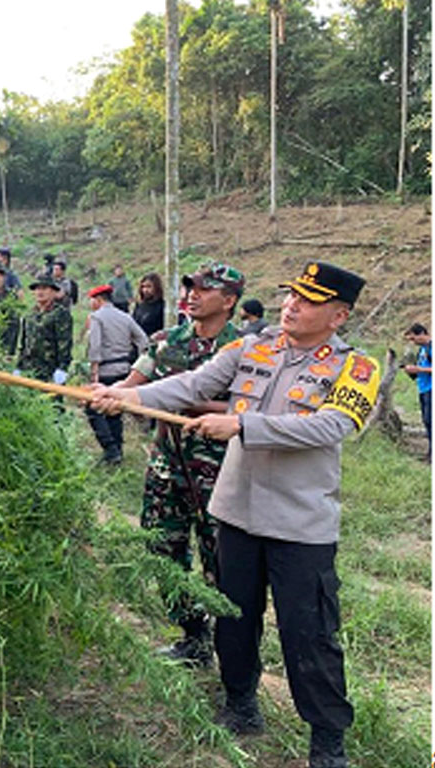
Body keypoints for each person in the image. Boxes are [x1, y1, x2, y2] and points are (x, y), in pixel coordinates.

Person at [89, 261, 377, 768]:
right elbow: (191, 387)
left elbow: (330, 428)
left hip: (299, 527)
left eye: (308, 301)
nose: (292, 305)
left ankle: (328, 741)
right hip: (236, 515)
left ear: (339, 315)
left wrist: (242, 426)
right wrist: (128, 395)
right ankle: (241, 704)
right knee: (233, 621)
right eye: (291, 296)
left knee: (308, 636)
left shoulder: (356, 369)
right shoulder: (250, 346)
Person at [110, 261, 244, 667]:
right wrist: (109, 393)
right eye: (189, 288)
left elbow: (246, 408)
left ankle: (232, 651)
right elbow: (134, 383)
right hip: (166, 470)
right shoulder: (166, 341)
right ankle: (193, 636)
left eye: (203, 289)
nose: (191, 295)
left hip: (219, 475)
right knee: (161, 549)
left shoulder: (244, 349)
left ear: (229, 300)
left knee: (221, 562)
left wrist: (177, 401)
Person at [84, 284, 148, 465]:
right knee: (115, 411)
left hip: (105, 370)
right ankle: (118, 450)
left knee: (94, 409)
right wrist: (138, 366)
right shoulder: (125, 317)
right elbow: (143, 341)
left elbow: (95, 346)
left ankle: (110, 449)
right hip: (124, 369)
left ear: (97, 300)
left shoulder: (97, 317)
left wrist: (94, 371)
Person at [16, 273, 72, 384]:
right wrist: (19, 366)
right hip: (29, 370)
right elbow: (24, 344)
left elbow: (64, 343)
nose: (40, 292)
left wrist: (62, 368)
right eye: (37, 289)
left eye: (44, 288)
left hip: (50, 371)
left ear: (53, 291)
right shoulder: (30, 315)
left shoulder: (60, 314)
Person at [403, 322, 431, 462]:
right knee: (426, 421)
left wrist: (419, 370)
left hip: (431, 389)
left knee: (430, 421)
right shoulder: (421, 350)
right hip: (423, 388)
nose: (413, 342)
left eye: (414, 338)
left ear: (422, 334)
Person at [132, 272, 166, 338]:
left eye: (149, 287)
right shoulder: (139, 305)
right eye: (143, 287)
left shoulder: (162, 306)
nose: (145, 290)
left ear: (156, 287)